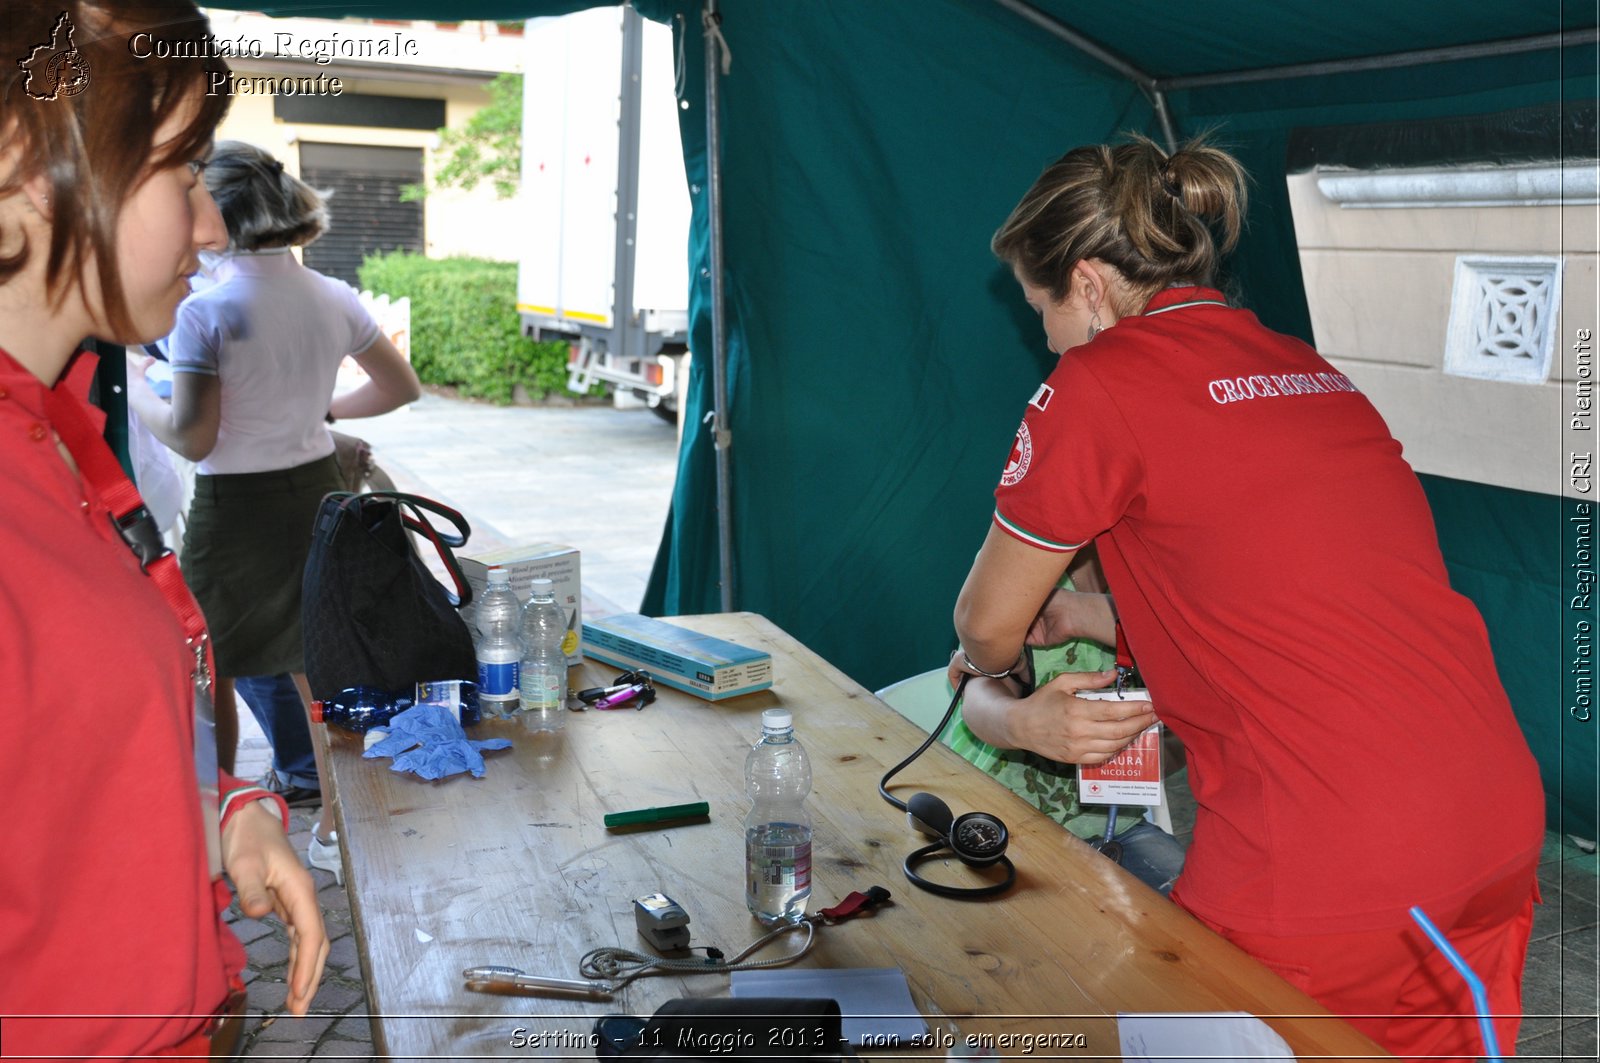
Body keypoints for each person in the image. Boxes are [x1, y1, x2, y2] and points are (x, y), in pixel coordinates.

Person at [951, 135, 1543, 1059]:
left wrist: (1006, 711)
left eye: (1042, 313)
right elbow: (1291, 598)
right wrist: (1096, 617)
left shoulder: (1101, 381)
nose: (1048, 339)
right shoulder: (1300, 365)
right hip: (1492, 822)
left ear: (1090, 284)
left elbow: (985, 631)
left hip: (1330, 856)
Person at [0, 2, 328, 1056]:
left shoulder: (54, 434)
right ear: (23, 156)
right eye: (181, 170)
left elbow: (59, 773)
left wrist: (223, 807)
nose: (213, 224)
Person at [127, 140, 422, 874]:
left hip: (236, 507)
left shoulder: (207, 310)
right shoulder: (333, 296)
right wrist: (318, 410)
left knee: (208, 665)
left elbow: (193, 438)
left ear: (217, 216)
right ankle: (336, 832)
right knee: (314, 663)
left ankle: (215, 823)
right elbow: (399, 388)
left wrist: (138, 391)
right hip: (319, 488)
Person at [947, 554, 1185, 895]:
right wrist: (1020, 722)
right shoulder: (1028, 584)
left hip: (1117, 829)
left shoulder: (1164, 594)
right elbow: (978, 689)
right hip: (995, 820)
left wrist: (1139, 755)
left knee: (1192, 919)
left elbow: (1183, 742)